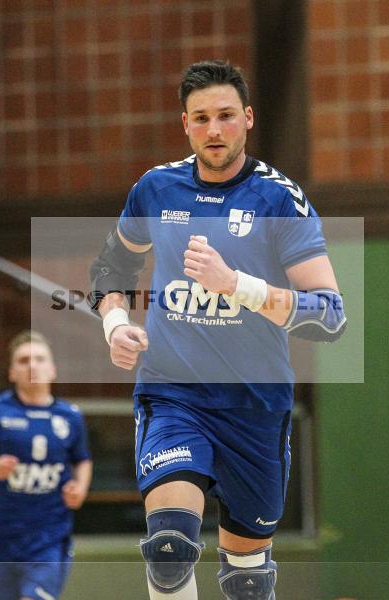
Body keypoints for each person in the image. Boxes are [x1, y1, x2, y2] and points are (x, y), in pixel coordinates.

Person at [89, 60, 346, 600]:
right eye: (201, 118)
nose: (214, 130)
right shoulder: (157, 188)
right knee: (169, 550)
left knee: (248, 580)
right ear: (185, 123)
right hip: (174, 394)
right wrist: (115, 323)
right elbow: (111, 267)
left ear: (248, 118)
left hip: (254, 404)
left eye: (226, 116)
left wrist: (236, 285)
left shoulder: (279, 201)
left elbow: (329, 316)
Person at [0, 330, 93, 600]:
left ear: (53, 370)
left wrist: (80, 488)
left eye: (40, 359)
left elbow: (82, 459)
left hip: (49, 537)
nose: (32, 365)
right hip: (2, 538)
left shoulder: (70, 416)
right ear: (12, 372)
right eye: (23, 360)